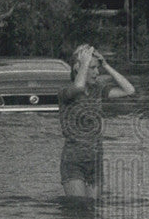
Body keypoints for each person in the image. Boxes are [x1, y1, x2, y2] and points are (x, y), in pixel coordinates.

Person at [58, 43, 135, 198]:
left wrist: (106, 65)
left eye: (97, 67)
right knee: (78, 209)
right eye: (92, 68)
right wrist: (84, 63)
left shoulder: (98, 90)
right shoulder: (66, 92)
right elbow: (78, 87)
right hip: (74, 161)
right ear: (77, 68)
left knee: (93, 211)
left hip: (95, 159)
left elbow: (129, 90)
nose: (96, 72)